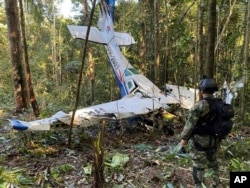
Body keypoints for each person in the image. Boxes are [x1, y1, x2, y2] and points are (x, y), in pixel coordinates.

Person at [180, 78, 222, 188]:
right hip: (215, 140)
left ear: (202, 90)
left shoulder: (199, 106)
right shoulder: (220, 104)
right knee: (213, 164)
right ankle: (215, 184)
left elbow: (190, 125)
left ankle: (199, 186)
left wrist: (184, 139)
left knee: (198, 165)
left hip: (200, 141)